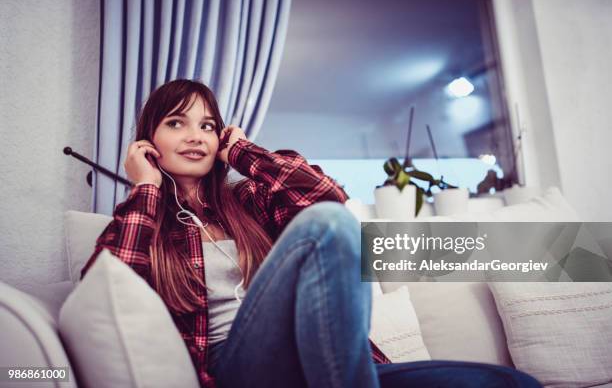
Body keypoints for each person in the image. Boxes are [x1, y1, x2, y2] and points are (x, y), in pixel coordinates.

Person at [81, 79, 542, 388]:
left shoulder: (249, 204)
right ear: (148, 141)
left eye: (208, 125)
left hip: (322, 362)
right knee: (327, 228)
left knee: (513, 384)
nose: (197, 135)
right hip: (236, 365)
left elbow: (328, 197)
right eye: (176, 123)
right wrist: (145, 188)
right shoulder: (144, 225)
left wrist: (242, 152)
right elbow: (104, 288)